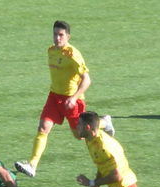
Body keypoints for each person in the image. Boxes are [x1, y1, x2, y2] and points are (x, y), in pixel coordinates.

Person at [15, 20, 114, 178]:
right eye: (55, 34)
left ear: (68, 36)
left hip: (72, 100)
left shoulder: (73, 54)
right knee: (42, 128)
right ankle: (32, 164)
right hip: (54, 97)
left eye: (61, 35)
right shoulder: (51, 51)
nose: (57, 38)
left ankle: (104, 122)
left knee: (79, 135)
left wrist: (74, 98)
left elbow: (87, 80)